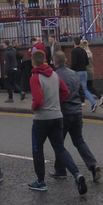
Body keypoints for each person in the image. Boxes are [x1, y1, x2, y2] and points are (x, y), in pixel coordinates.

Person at [27, 49, 87, 195]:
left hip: (42, 119)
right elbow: (65, 92)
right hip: (57, 116)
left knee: (37, 149)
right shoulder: (54, 74)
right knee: (59, 148)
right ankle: (77, 174)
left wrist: (33, 107)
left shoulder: (35, 77)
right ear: (45, 60)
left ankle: (40, 182)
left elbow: (38, 100)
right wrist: (55, 103)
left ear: (33, 62)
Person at [51, 52, 101, 182]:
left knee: (58, 143)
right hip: (77, 111)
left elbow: (55, 96)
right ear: (66, 60)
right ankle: (93, 165)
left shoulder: (55, 76)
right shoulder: (73, 73)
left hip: (64, 113)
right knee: (79, 141)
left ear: (55, 62)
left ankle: (60, 170)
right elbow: (80, 92)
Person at [71, 38, 101, 112]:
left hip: (78, 72)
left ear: (74, 43)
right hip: (84, 72)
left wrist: (71, 70)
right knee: (85, 89)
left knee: (74, 88)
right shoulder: (83, 50)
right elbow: (87, 62)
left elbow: (74, 63)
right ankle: (93, 102)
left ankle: (75, 104)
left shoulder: (74, 51)